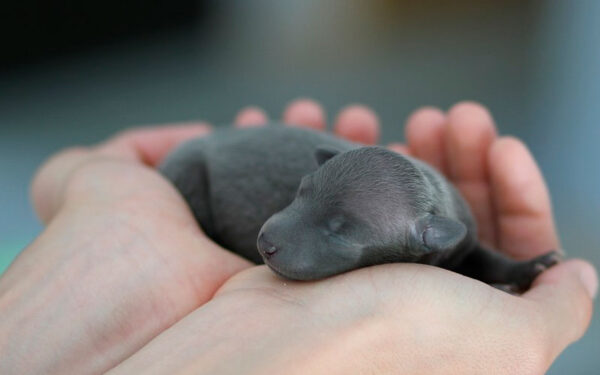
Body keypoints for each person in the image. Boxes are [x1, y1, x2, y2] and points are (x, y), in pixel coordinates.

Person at [0, 99, 596, 374]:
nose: (272, 236)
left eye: (340, 230)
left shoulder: (442, 220)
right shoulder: (377, 205)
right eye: (303, 196)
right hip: (205, 173)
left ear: (427, 236)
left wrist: (513, 272)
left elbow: (468, 255)